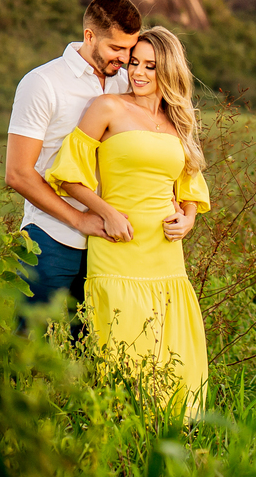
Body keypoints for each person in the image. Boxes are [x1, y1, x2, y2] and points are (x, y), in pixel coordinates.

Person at [45, 26, 211, 418]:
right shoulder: (107, 107)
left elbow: (189, 185)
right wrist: (105, 212)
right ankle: (123, 428)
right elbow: (67, 175)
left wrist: (187, 219)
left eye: (150, 66)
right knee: (124, 343)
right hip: (117, 246)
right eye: (134, 63)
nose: (137, 72)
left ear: (168, 69)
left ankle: (174, 431)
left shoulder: (178, 120)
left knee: (170, 346)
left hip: (165, 254)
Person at [5, 0, 142, 313]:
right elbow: (18, 173)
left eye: (130, 49)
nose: (124, 59)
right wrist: (80, 220)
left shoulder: (128, 83)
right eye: (116, 48)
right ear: (89, 36)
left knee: (95, 340)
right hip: (52, 240)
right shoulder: (42, 83)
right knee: (32, 337)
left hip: (112, 244)